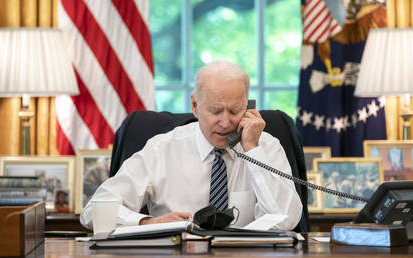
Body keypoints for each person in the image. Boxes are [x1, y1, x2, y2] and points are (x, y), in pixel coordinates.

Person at [80, 60, 302, 230]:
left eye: (235, 110)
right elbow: (94, 211)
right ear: (195, 106)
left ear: (248, 106)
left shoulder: (266, 147)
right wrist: (149, 222)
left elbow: (286, 221)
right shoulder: (162, 149)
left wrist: (254, 151)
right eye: (215, 111)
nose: (226, 122)